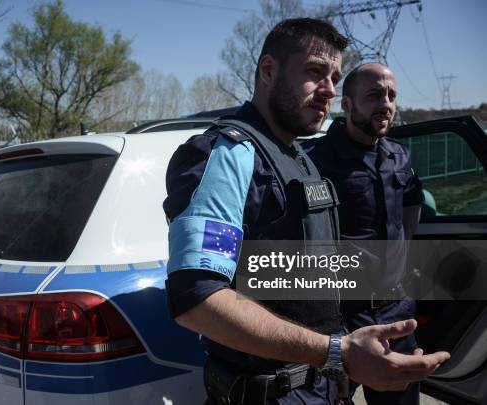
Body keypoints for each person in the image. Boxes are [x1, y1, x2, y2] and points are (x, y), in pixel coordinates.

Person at [163, 19, 448, 405]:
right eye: (316, 72)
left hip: (319, 387)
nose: (329, 89)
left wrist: (334, 366)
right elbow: (198, 299)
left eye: (335, 76)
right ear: (268, 70)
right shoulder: (229, 154)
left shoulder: (299, 157)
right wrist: (337, 353)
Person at [307, 63, 424, 404]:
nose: (386, 103)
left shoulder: (399, 155)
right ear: (347, 105)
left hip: (398, 314)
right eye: (374, 95)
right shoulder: (316, 161)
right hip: (342, 318)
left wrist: (401, 257)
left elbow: (413, 201)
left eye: (391, 95)